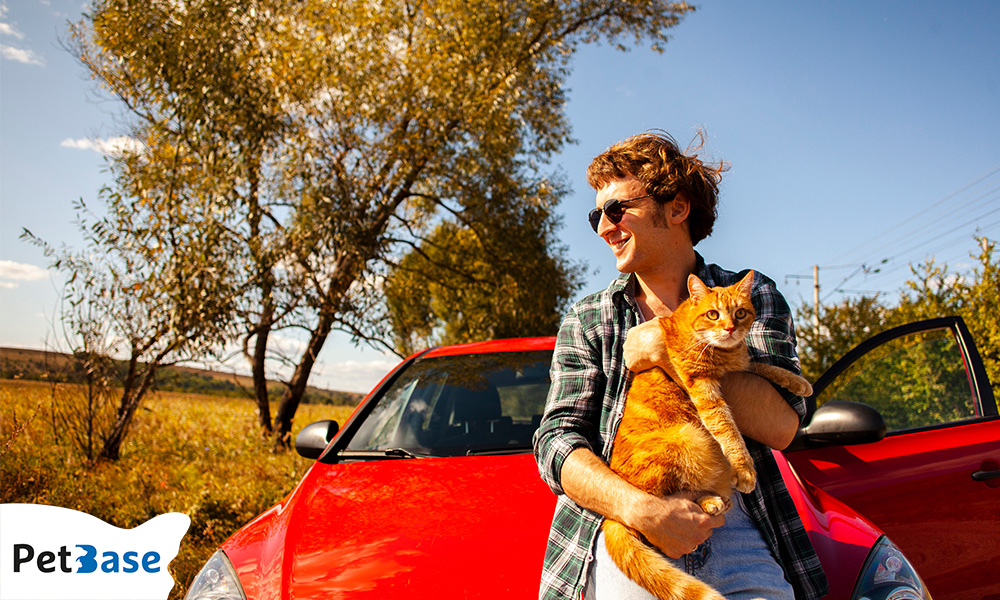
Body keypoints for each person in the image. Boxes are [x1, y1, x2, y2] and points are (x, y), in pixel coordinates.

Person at [532, 131, 828, 600]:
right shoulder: (589, 319)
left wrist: (669, 349)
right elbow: (555, 442)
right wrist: (641, 509)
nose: (604, 228)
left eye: (617, 209)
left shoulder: (752, 295)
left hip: (734, 525)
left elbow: (782, 425)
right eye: (597, 216)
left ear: (677, 207)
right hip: (628, 526)